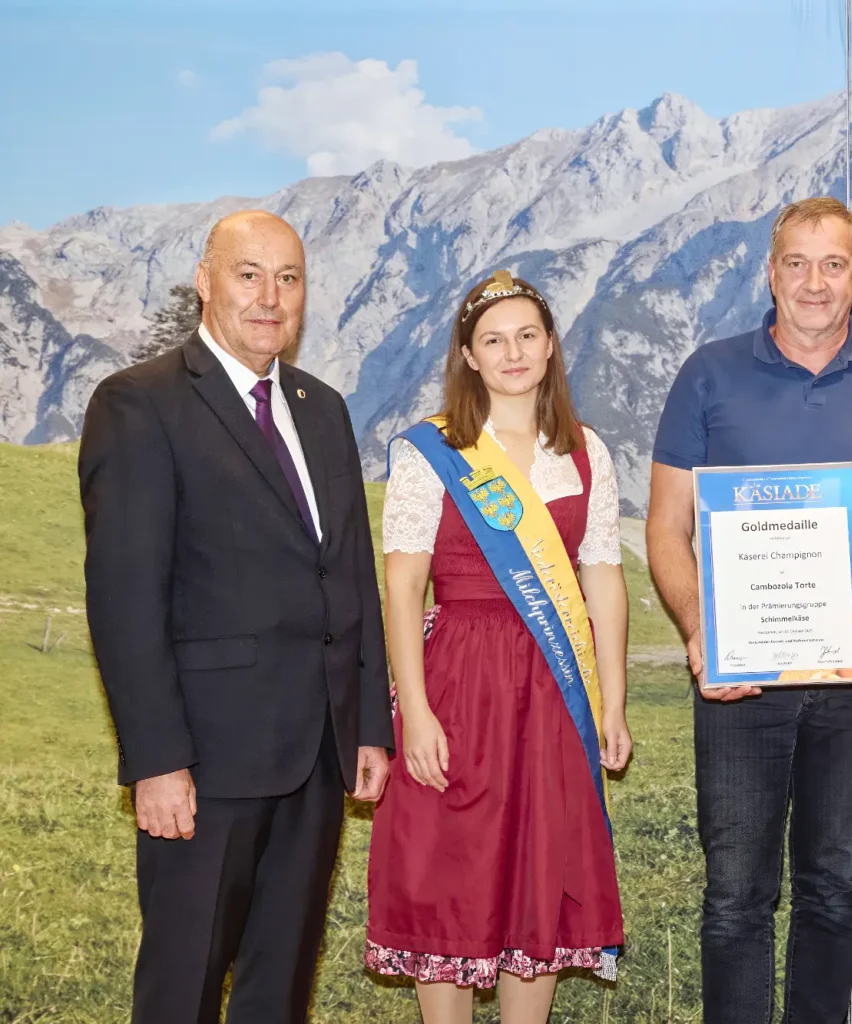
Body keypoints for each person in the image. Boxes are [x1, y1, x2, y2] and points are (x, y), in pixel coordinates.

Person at [78, 210, 392, 1024]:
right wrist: (155, 760)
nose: (270, 297)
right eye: (249, 274)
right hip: (204, 763)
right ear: (205, 282)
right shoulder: (139, 404)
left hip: (317, 756)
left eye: (288, 278)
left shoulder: (322, 408)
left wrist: (366, 725)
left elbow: (350, 570)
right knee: (184, 985)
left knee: (280, 987)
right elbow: (124, 595)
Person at [646, 197, 852, 1024]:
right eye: (797, 264)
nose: (815, 283)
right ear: (770, 273)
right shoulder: (708, 372)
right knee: (736, 893)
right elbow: (666, 527)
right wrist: (702, 632)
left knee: (834, 882)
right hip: (743, 671)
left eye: (834, 264)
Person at [364, 272, 631, 1024]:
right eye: (493, 340)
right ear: (469, 356)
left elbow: (602, 578)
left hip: (553, 688)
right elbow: (403, 585)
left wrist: (612, 702)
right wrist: (412, 710)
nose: (512, 352)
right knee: (447, 867)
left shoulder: (585, 454)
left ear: (549, 347)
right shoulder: (433, 449)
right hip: (457, 681)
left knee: (535, 868)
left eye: (527, 335)